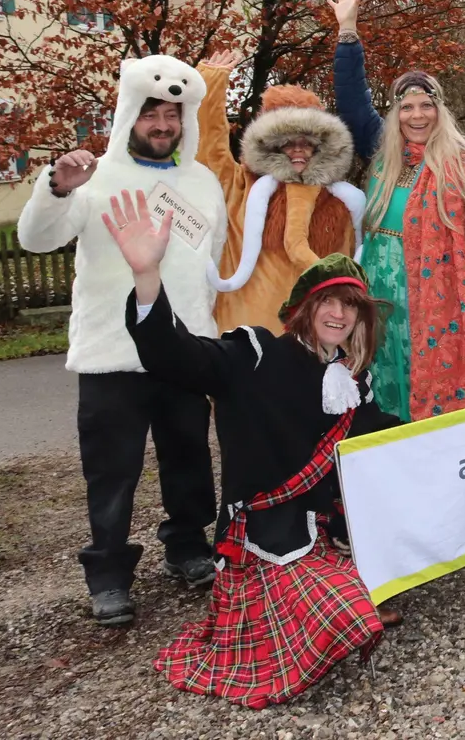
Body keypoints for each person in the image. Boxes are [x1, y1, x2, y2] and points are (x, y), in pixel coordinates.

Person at [103, 188, 397, 707]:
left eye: (349, 306)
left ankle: (344, 585)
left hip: (330, 533)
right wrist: (147, 276)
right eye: (327, 301)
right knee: (349, 618)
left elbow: (392, 435)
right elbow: (176, 356)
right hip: (264, 539)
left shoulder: (352, 380)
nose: (338, 314)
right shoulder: (253, 354)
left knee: (376, 595)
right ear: (304, 310)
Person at [16, 54, 225, 627]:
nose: (163, 125)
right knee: (111, 471)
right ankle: (108, 574)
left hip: (185, 351)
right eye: (152, 113)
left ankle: (187, 547)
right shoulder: (95, 176)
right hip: (113, 353)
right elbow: (35, 239)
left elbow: (214, 263)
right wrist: (57, 187)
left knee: (188, 459)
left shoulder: (201, 182)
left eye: (173, 114)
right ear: (130, 115)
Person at [329, 0, 465, 419]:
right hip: (380, 290)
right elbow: (350, 98)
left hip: (438, 300)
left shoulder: (462, 168)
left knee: (441, 396)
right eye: (407, 107)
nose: (417, 115)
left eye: (426, 105)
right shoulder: (381, 151)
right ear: (396, 112)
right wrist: (348, 32)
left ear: (440, 110)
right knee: (379, 388)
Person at [195, 50, 369, 335]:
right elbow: (209, 145)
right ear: (270, 145)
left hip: (313, 341)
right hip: (246, 338)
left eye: (307, 141)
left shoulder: (338, 202)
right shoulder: (241, 186)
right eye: (287, 142)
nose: (298, 149)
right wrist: (212, 82)